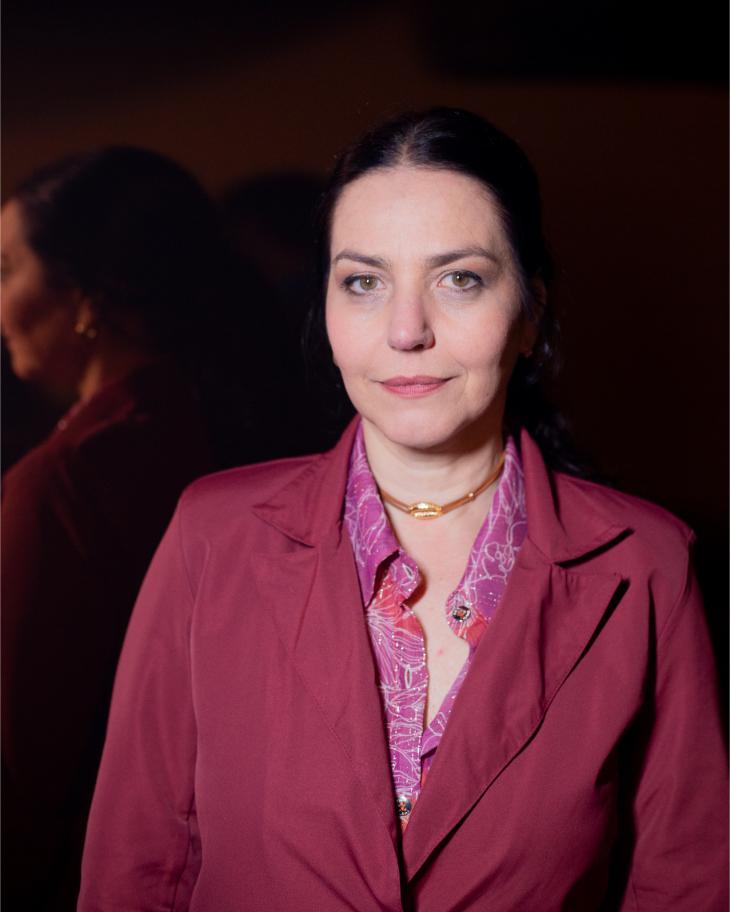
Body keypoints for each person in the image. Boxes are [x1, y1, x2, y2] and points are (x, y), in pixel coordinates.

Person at [78, 109, 727, 911]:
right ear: (325, 307)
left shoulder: (646, 564)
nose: (406, 329)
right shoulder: (214, 535)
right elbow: (138, 865)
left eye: (460, 278)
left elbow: (684, 883)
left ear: (531, 311)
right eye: (364, 281)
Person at [0, 147, 227, 912]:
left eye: (6, 269)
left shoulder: (69, 479)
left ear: (84, 295)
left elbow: (21, 766)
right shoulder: (221, 427)